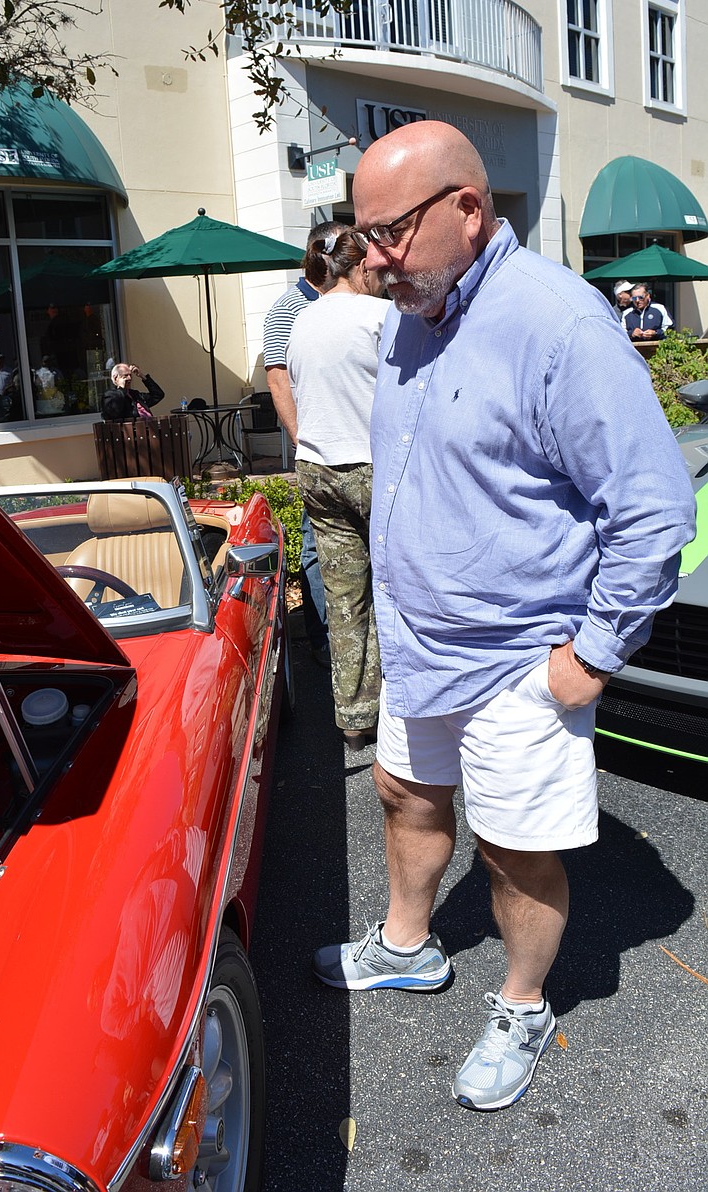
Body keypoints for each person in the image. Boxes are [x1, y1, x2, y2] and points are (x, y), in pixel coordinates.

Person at [312, 121, 695, 1112]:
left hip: (521, 656)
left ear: (469, 210)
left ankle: (523, 1001)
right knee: (402, 792)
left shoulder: (558, 323)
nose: (372, 257)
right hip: (422, 641)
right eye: (360, 236)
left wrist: (594, 653)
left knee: (515, 847)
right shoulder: (416, 308)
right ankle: (405, 947)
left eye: (388, 231)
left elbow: (652, 507)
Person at [287, 228, 389, 749]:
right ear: (359, 266)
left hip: (315, 467)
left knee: (344, 596)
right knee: (399, 589)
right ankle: (410, 707)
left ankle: (353, 715)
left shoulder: (301, 321)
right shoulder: (380, 317)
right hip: (371, 466)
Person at [263, 219, 345, 669]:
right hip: (319, 451)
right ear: (324, 254)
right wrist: (304, 443)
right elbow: (278, 380)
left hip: (355, 448)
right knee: (316, 547)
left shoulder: (356, 302)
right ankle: (325, 641)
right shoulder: (288, 309)